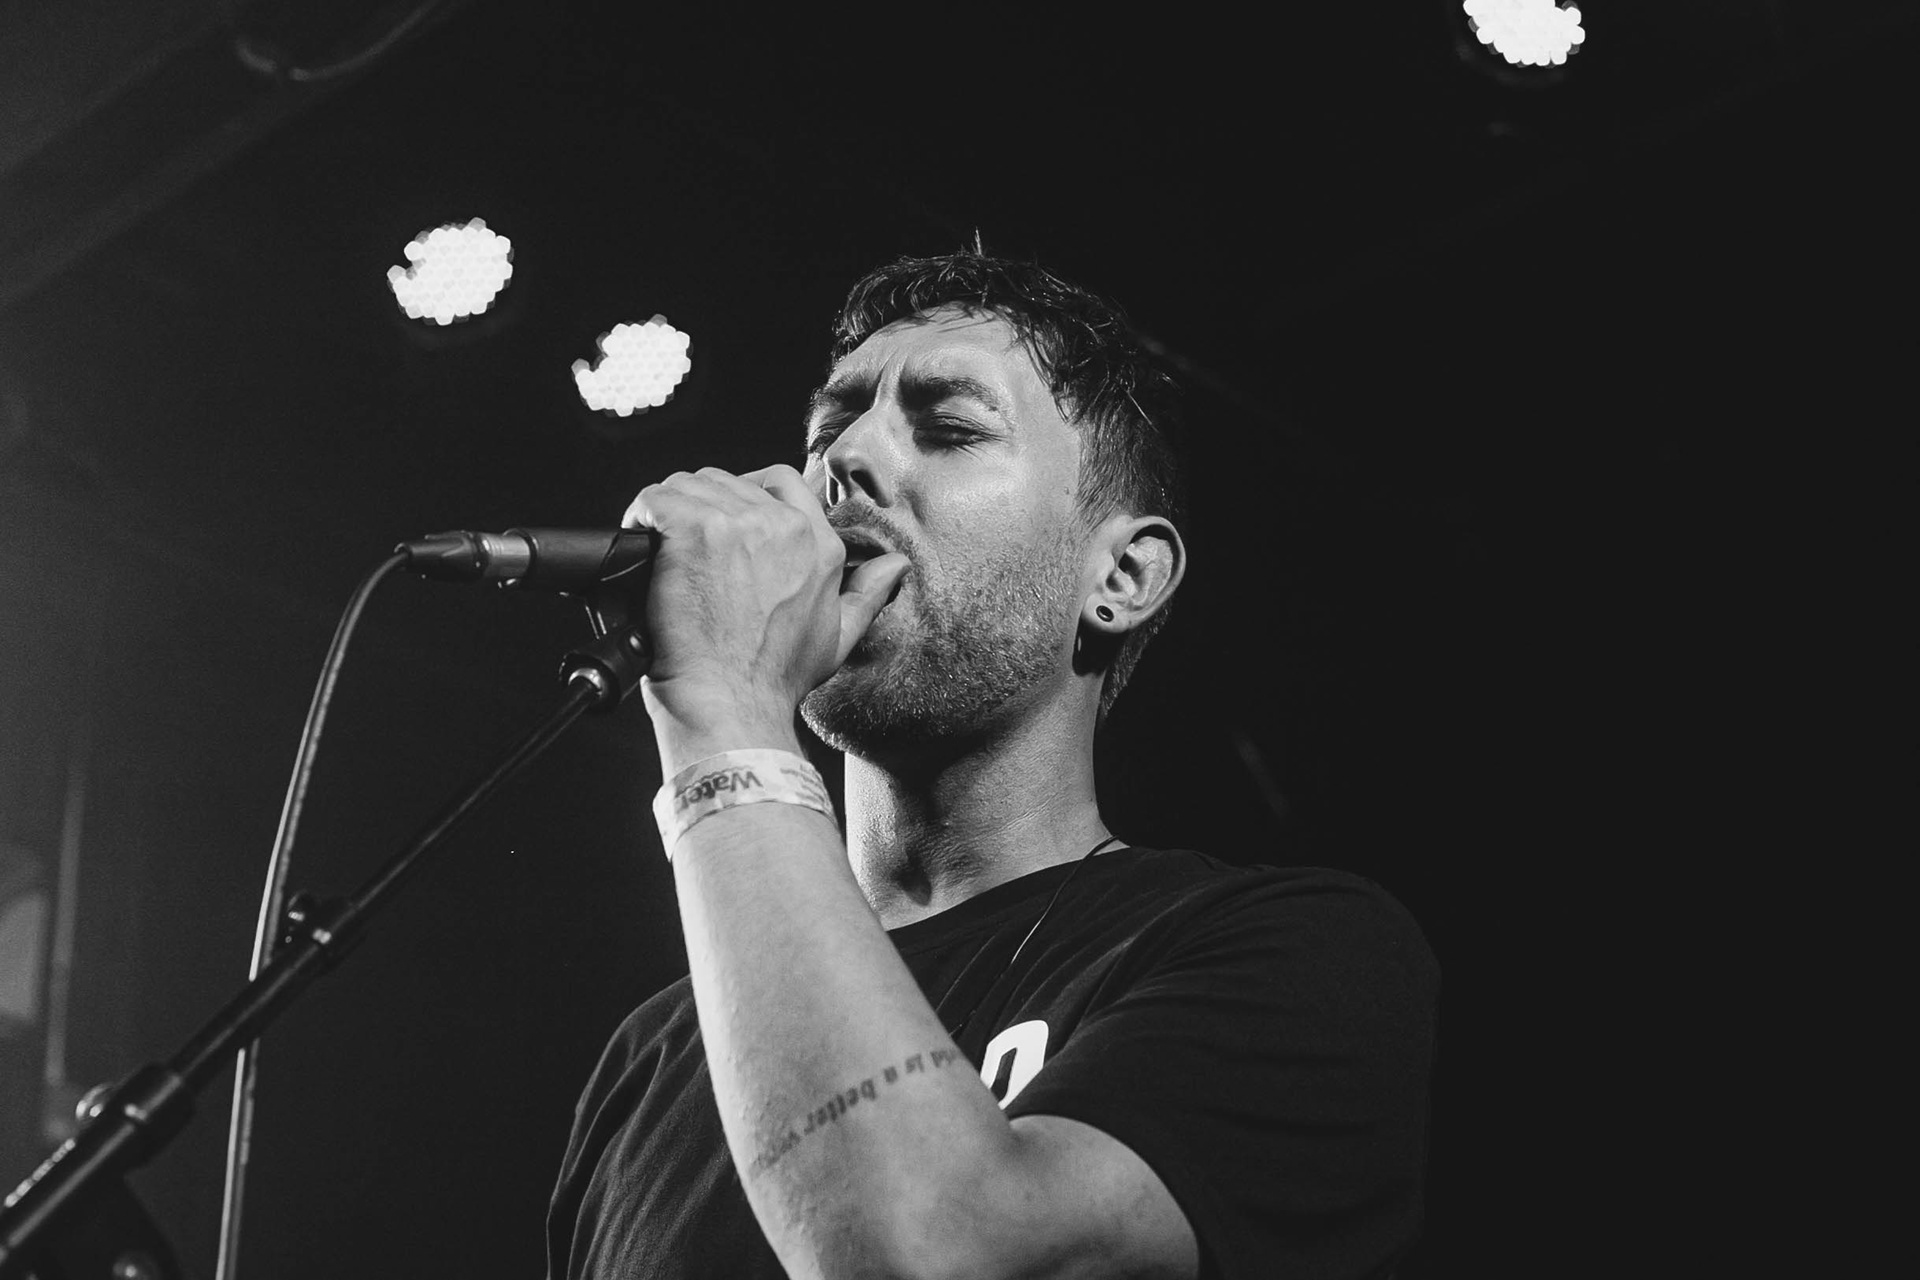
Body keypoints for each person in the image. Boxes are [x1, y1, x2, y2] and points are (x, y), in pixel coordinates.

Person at [545, 250, 1439, 1279]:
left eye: (951, 430)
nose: (845, 462)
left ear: (1122, 575)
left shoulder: (1291, 951)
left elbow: (934, 1256)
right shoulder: (654, 1055)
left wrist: (722, 713)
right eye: (831, 428)